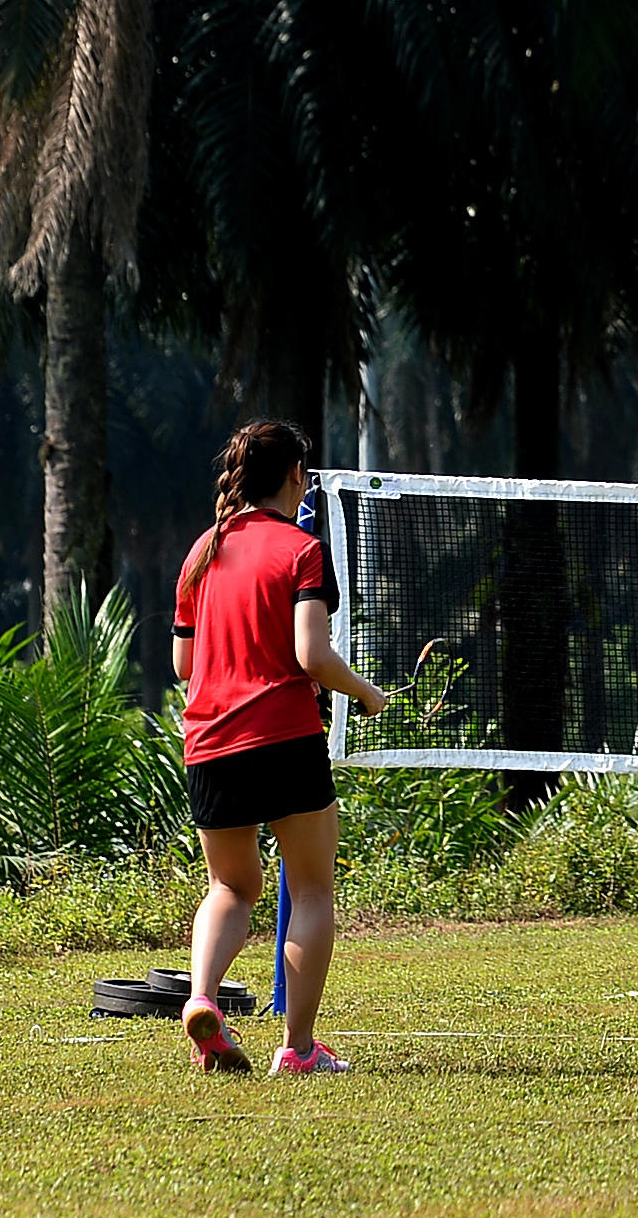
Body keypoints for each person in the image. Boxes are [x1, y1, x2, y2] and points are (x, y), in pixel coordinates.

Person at [170, 419, 390, 1073]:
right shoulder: (302, 549)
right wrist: (367, 693)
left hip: (209, 743)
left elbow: (183, 662)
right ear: (295, 475)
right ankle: (297, 1048)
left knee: (230, 887)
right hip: (284, 736)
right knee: (313, 889)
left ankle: (202, 998)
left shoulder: (200, 552)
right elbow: (311, 655)